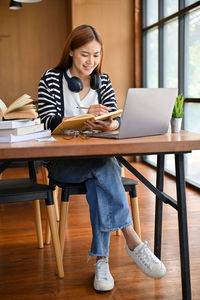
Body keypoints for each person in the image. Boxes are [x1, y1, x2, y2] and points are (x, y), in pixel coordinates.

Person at [38, 24, 166, 292]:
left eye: (96, 55)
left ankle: (101, 261)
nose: (91, 62)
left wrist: (109, 126)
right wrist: (81, 121)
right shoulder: (51, 78)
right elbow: (48, 121)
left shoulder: (102, 81)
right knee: (106, 167)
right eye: (85, 54)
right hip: (64, 164)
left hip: (98, 163)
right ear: (71, 51)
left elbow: (117, 120)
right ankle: (132, 239)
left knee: (101, 175)